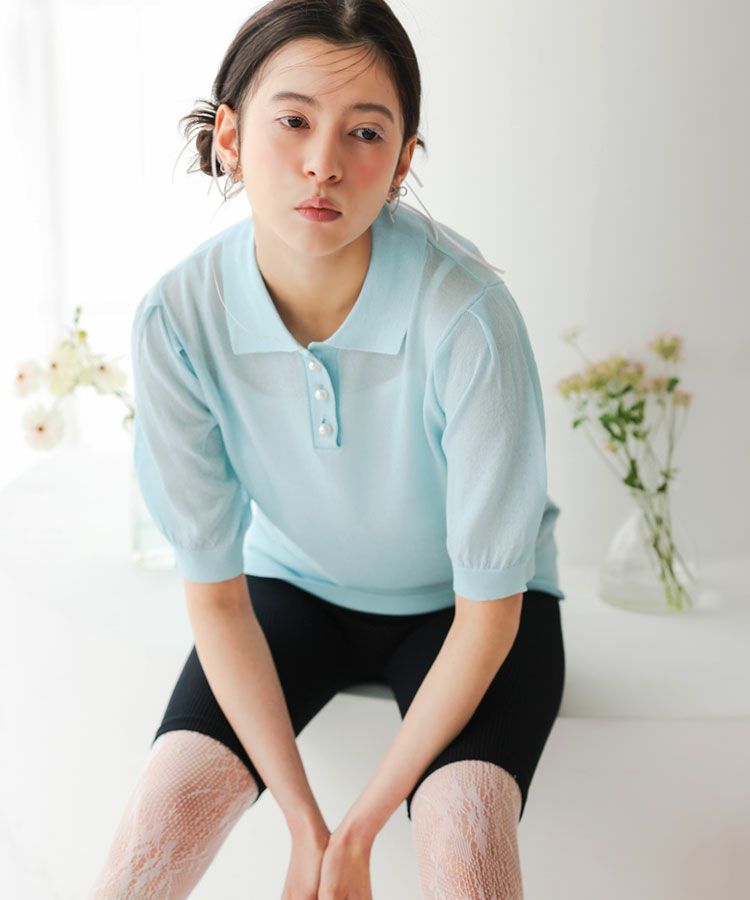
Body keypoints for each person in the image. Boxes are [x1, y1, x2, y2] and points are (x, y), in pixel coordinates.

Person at [88, 1, 566, 897]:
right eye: (294, 121)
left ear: (402, 163)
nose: (323, 163)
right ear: (231, 136)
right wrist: (303, 823)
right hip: (292, 589)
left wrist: (355, 833)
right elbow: (217, 594)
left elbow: (489, 614)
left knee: (465, 834)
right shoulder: (177, 318)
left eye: (365, 132)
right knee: (163, 819)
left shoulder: (467, 315)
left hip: (468, 613)